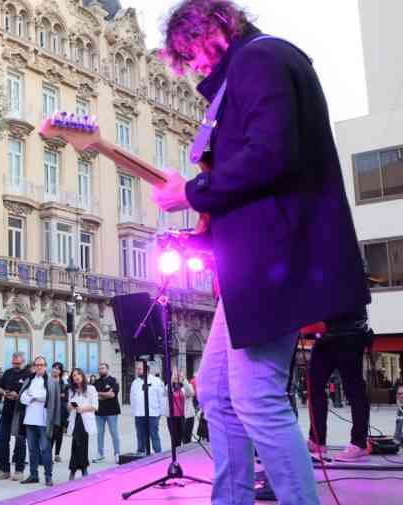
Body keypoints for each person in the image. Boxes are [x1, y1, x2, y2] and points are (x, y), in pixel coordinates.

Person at [154, 2, 370, 503]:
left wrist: (192, 192)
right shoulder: (254, 65)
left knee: (255, 396)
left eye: (192, 54)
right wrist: (201, 235)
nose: (195, 69)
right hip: (257, 263)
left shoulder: (261, 58)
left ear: (211, 28)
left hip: (275, 263)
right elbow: (262, 182)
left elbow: (271, 155)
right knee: (216, 391)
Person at [307, 314, 372, 462]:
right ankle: (317, 441)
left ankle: (359, 443)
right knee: (314, 387)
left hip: (349, 334)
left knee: (354, 390)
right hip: (324, 336)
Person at [16, 355, 61, 487]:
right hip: (29, 420)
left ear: (45, 366)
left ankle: (48, 476)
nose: (39, 367)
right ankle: (33, 475)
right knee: (32, 449)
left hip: (44, 421)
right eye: (37, 365)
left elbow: (45, 397)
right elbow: (22, 396)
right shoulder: (29, 380)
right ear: (34, 367)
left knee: (46, 450)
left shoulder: (52, 382)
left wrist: (32, 396)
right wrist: (32, 397)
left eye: (41, 365)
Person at [0, 352, 29, 481]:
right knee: (2, 440)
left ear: (23, 361)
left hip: (20, 412)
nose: (15, 365)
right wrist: (4, 392)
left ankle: (19, 470)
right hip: (7, 410)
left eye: (18, 363)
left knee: (20, 441)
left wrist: (18, 396)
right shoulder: (8, 373)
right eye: (13, 363)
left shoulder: (28, 374)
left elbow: (30, 393)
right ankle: (4, 470)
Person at [66, 368, 97, 480]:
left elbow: (95, 406)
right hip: (75, 420)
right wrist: (69, 407)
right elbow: (69, 406)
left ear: (83, 376)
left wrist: (81, 409)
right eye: (74, 375)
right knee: (75, 446)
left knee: (82, 446)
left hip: (85, 421)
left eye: (78, 374)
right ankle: (74, 470)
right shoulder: (72, 391)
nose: (76, 376)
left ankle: (83, 470)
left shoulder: (91, 389)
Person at [130, 362, 165, 454]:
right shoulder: (135, 382)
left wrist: (160, 412)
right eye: (137, 369)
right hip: (139, 414)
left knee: (154, 434)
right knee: (140, 435)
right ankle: (141, 453)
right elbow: (132, 398)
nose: (138, 371)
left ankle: (158, 453)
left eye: (140, 369)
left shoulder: (156, 381)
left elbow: (161, 397)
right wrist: (134, 412)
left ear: (147, 369)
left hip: (153, 413)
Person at [92, 363, 120, 463]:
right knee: (99, 434)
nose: (100, 370)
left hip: (112, 411)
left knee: (114, 433)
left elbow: (112, 395)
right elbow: (93, 396)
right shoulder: (96, 382)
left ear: (107, 369)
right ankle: (100, 454)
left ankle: (117, 453)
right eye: (99, 369)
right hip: (99, 412)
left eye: (102, 368)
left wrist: (99, 393)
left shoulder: (113, 381)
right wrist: (105, 394)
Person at [50, 363, 68, 463]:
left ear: (61, 371)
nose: (55, 370)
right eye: (54, 368)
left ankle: (57, 454)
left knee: (59, 433)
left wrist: (61, 396)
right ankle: (49, 454)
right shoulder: (48, 381)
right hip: (51, 411)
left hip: (61, 411)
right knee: (52, 434)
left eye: (58, 369)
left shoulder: (63, 383)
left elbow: (66, 396)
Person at [179, 372, 197, 444]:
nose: (179, 377)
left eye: (181, 376)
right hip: (177, 417)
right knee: (177, 439)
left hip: (188, 416)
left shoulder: (188, 386)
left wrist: (184, 381)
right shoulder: (170, 387)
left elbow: (190, 393)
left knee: (187, 438)